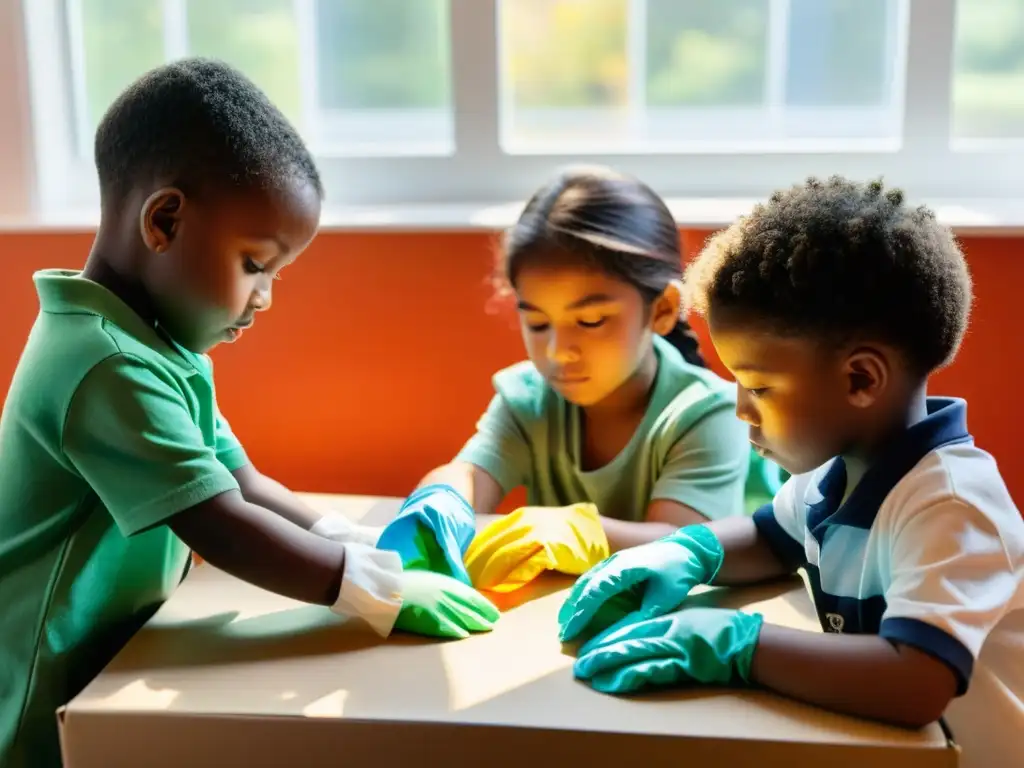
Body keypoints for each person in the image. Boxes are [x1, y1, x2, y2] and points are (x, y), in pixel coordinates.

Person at [0, 58, 497, 768]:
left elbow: (244, 484)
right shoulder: (105, 364)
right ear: (164, 221)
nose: (263, 299)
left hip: (116, 655)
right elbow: (219, 523)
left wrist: (358, 542)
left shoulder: (153, 346)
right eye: (255, 265)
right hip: (40, 685)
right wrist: (375, 591)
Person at [558, 176, 1023, 768]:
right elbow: (770, 537)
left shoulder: (950, 504)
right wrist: (690, 552)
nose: (739, 408)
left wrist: (738, 646)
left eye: (758, 385)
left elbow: (917, 682)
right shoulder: (838, 471)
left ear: (860, 379)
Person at [418, 166, 766, 594]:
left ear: (660, 310)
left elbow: (678, 548)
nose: (558, 351)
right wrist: (440, 500)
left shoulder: (708, 413)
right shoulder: (526, 398)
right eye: (539, 323)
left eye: (591, 320)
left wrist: (577, 530)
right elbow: (471, 477)